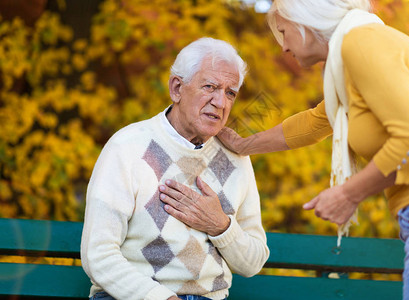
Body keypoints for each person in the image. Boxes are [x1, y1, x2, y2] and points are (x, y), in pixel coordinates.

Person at [216, 1, 409, 299]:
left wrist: (347, 193)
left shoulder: (361, 44)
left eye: (285, 32)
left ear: (306, 22)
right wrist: (243, 144)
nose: (284, 47)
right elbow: (316, 122)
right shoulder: (355, 54)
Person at [81, 37, 269, 300]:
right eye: (210, 87)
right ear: (177, 88)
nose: (221, 102)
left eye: (230, 93)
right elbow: (97, 255)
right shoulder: (127, 147)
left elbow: (253, 261)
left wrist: (221, 226)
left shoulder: (236, 159)